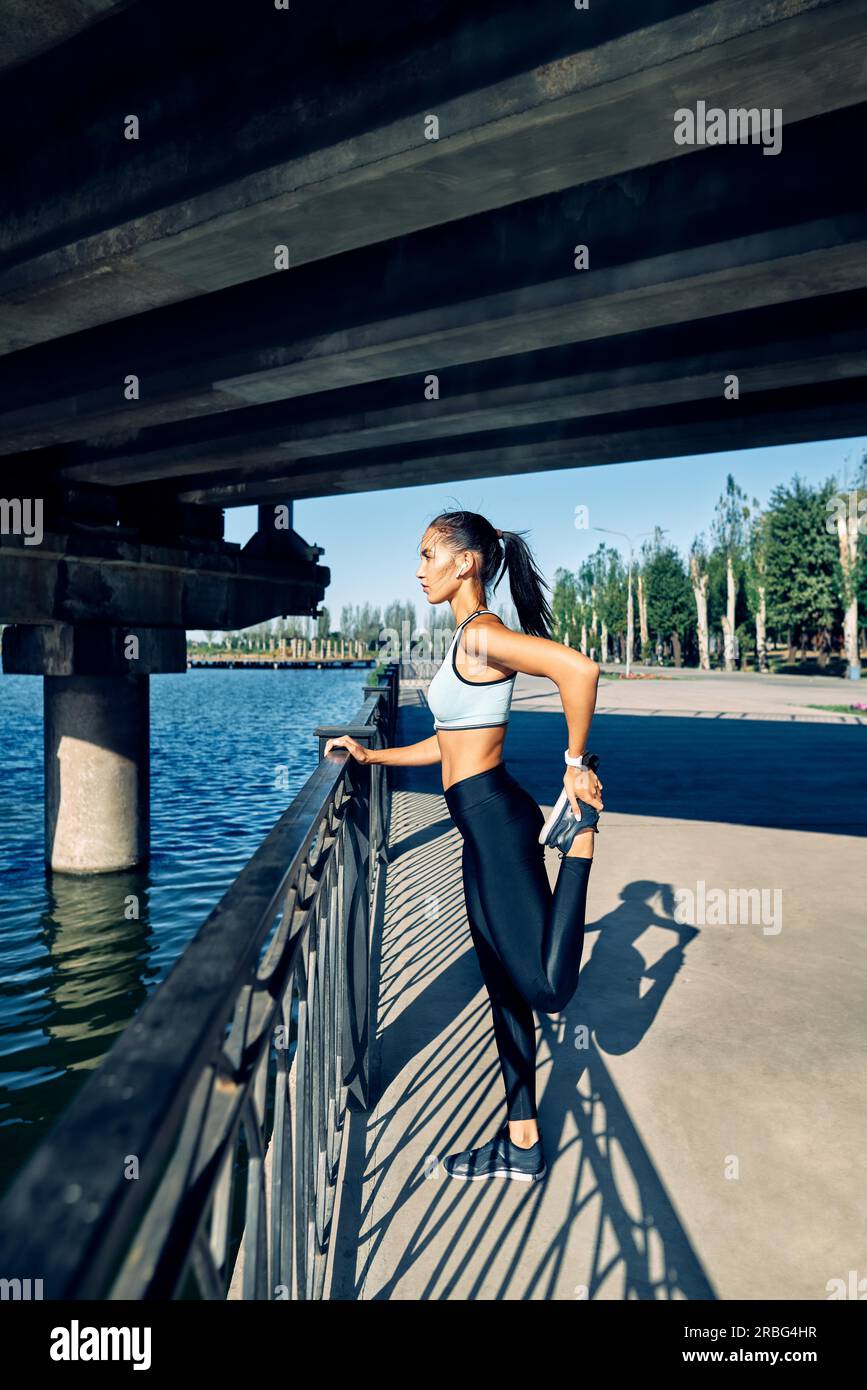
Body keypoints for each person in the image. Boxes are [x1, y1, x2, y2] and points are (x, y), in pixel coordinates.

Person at [323, 509, 603, 1184]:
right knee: (501, 987)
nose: (418, 569)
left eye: (427, 555)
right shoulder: (462, 644)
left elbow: (579, 671)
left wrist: (574, 763)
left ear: (465, 563)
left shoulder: (482, 636)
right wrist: (371, 754)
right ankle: (522, 1140)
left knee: (544, 987)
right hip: (475, 825)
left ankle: (584, 843)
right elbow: (445, 744)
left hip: (498, 825)